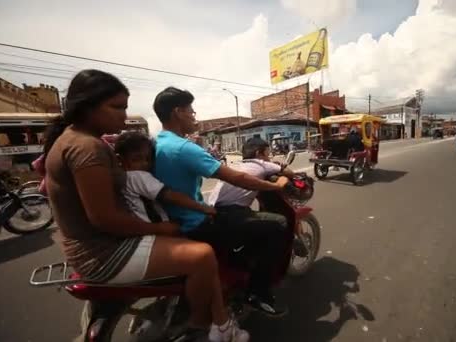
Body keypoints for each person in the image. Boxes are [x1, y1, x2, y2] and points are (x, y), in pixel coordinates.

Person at [43, 70, 248, 342]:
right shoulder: (85, 147)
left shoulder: (78, 140)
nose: (123, 115)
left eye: (125, 107)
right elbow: (104, 219)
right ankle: (202, 324)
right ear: (87, 106)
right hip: (104, 253)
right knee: (202, 256)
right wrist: (161, 228)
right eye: (116, 107)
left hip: (93, 247)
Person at [153, 86, 290, 317]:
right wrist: (274, 186)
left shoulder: (155, 143)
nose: (194, 116)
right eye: (191, 111)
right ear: (177, 112)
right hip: (196, 224)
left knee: (240, 222)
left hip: (171, 219)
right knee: (277, 225)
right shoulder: (184, 148)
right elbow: (236, 178)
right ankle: (257, 293)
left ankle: (235, 270)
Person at [114, 131, 216, 223]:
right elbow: (169, 196)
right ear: (120, 159)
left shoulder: (121, 177)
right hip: (155, 230)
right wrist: (203, 208)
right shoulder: (137, 176)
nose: (144, 163)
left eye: (148, 159)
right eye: (136, 159)